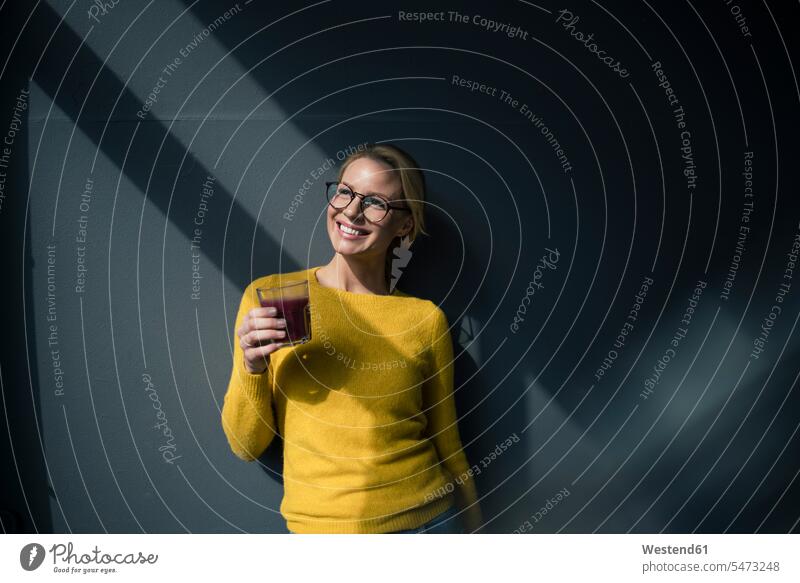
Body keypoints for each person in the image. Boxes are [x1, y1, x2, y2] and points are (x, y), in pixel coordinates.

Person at [221, 143, 483, 534]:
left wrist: (478, 534)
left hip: (427, 524)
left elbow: (448, 442)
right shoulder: (273, 297)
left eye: (376, 202)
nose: (351, 211)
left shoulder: (424, 319)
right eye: (345, 192)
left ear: (405, 225)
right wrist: (252, 366)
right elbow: (245, 446)